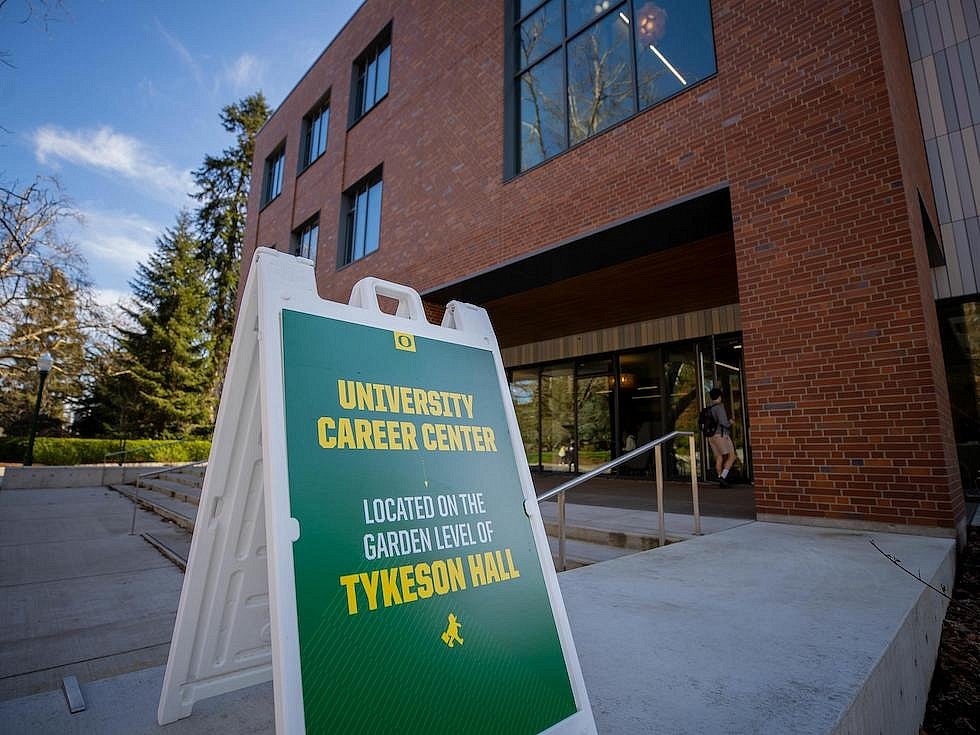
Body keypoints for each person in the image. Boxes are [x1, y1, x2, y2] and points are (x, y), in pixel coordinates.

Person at [707, 387, 735, 487]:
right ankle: (723, 477)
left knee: (719, 458)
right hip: (722, 435)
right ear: (719, 397)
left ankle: (720, 478)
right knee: (732, 456)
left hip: (711, 437)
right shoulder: (719, 407)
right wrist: (730, 423)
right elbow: (724, 423)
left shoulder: (709, 408)